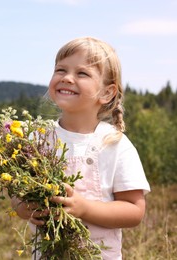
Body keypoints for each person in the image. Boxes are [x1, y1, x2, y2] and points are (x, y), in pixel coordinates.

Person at [11, 37, 150, 259]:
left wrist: (84, 208)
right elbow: (18, 195)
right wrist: (23, 207)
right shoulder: (36, 139)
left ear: (107, 93)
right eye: (60, 70)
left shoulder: (115, 144)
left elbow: (134, 210)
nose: (67, 78)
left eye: (82, 73)